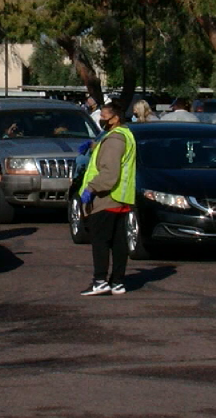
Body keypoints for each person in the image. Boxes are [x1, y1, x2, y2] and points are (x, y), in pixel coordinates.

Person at [78, 103, 137, 296]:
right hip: (121, 197)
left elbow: (109, 171)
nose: (100, 119)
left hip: (106, 197)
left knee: (101, 241)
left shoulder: (115, 139)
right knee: (119, 242)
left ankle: (100, 280)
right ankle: (117, 281)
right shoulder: (124, 135)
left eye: (103, 115)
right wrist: (93, 146)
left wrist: (91, 189)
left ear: (115, 118)